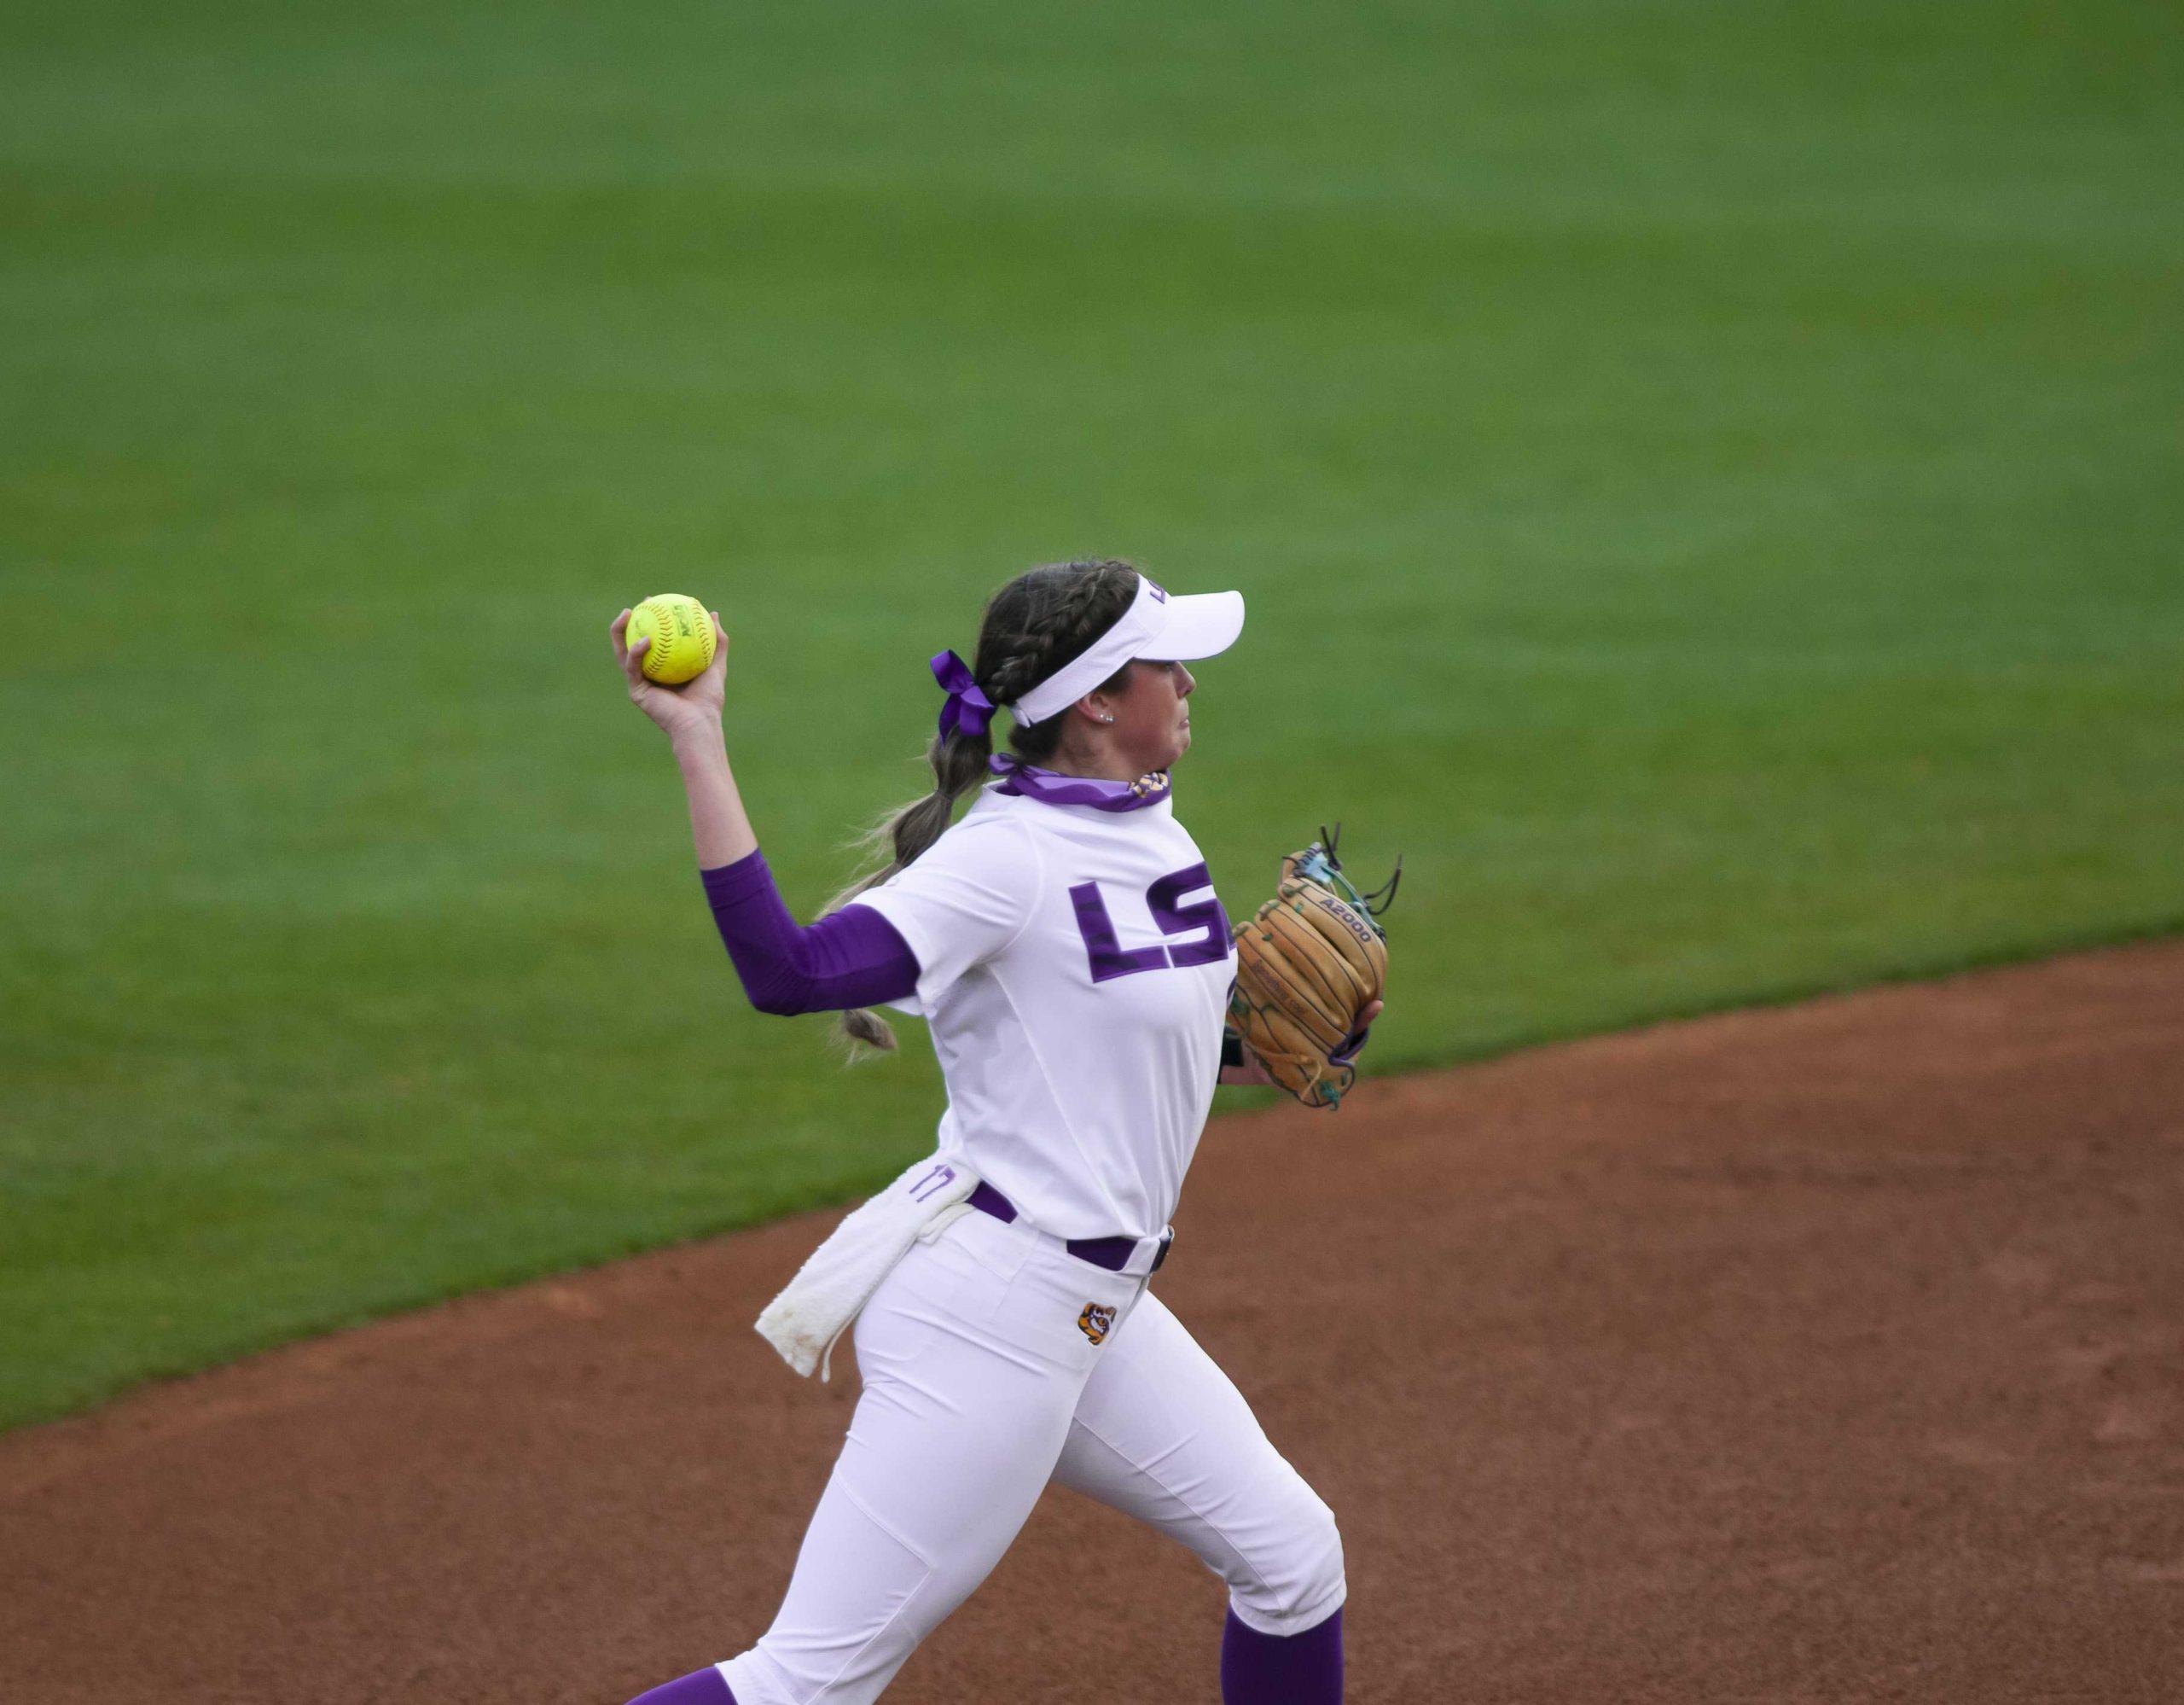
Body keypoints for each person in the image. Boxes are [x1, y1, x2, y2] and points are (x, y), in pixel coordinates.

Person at [609, 559, 1380, 1705]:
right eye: (1167, 663)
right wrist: (697, 733)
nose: (1190, 683)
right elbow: (787, 970)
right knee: (807, 1682)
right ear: (1098, 702)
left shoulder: (1153, 829)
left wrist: (1254, 1046)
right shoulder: (1001, 859)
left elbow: (1125, 1040)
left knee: (1292, 1556)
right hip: (993, 1313)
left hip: (1096, 1312)